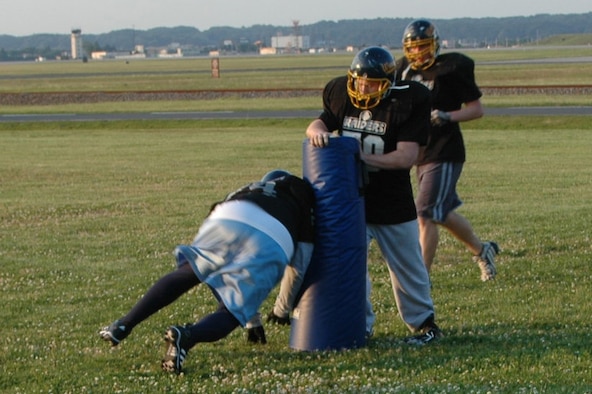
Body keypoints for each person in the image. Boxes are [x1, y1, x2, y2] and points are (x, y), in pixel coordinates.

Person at [99, 170, 315, 374]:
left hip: (230, 213)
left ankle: (124, 323)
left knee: (188, 273)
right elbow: (299, 264)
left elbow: (214, 213)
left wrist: (253, 321)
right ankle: (187, 336)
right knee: (231, 312)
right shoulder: (300, 196)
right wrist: (280, 311)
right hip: (273, 233)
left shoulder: (249, 187)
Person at [305, 46, 441, 345]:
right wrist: (315, 131)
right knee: (351, 267)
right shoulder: (340, 91)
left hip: (391, 199)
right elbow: (321, 121)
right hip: (351, 199)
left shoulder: (409, 100)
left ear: (388, 83)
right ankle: (358, 325)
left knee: (407, 266)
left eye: (373, 84)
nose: (364, 88)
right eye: (360, 82)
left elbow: (406, 157)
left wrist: (356, 156)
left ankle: (424, 324)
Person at [397, 19, 499, 281]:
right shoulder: (404, 70)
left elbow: (476, 109)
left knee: (425, 213)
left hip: (445, 149)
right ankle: (481, 249)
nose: (419, 53)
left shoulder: (451, 68)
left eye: (424, 47)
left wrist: (446, 115)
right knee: (440, 213)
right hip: (418, 151)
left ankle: (419, 280)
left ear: (435, 44)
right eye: (415, 48)